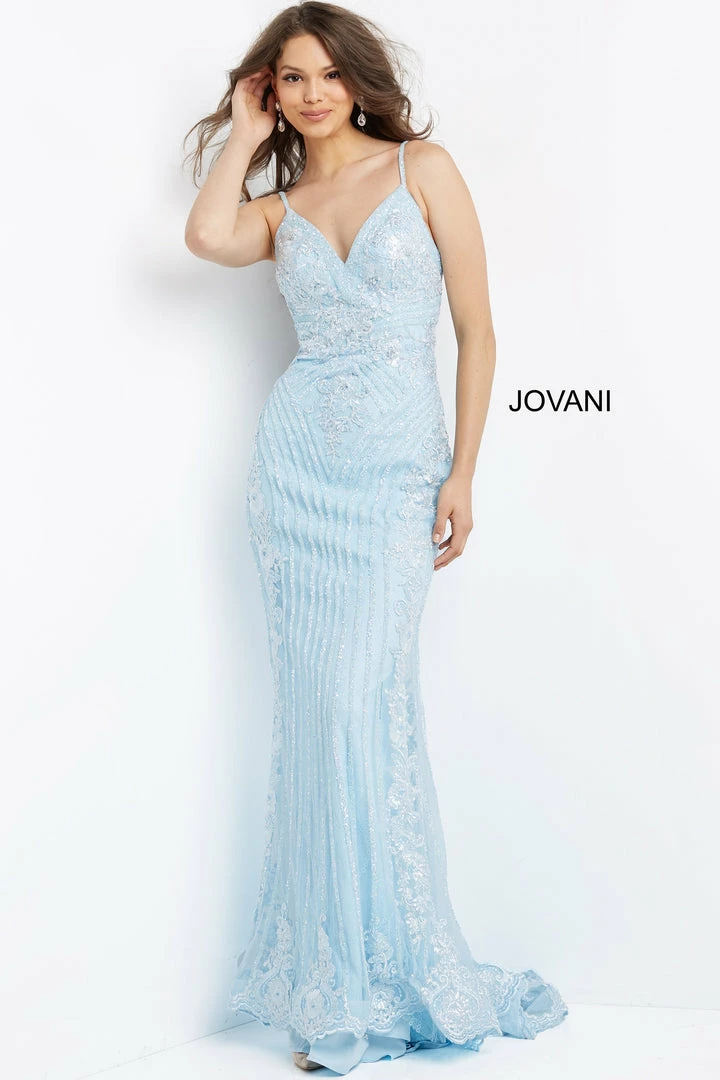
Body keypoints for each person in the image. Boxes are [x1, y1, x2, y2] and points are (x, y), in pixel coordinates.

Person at [184, 3, 568, 1074]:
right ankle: (334, 989)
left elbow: (478, 329)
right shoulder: (279, 207)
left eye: (327, 74)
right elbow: (204, 237)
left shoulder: (422, 170)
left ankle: (396, 972)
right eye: (290, 79)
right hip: (295, 481)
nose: (312, 94)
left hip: (398, 477)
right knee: (319, 718)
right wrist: (243, 135)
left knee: (366, 706)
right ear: (272, 90)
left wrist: (463, 471)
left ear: (359, 79)